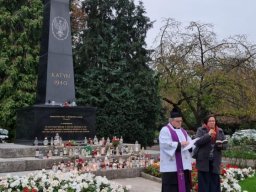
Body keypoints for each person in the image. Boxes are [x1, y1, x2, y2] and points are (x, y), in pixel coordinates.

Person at [159, 107, 192, 192]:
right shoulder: (165, 130)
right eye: (178, 121)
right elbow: (165, 144)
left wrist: (192, 145)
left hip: (184, 167)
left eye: (181, 121)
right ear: (171, 121)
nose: (180, 123)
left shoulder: (183, 131)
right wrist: (180, 144)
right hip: (171, 168)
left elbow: (190, 142)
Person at [194, 115, 227, 192]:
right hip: (204, 161)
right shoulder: (201, 130)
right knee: (204, 184)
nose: (212, 122)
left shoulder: (220, 131)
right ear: (206, 122)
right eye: (210, 121)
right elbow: (198, 142)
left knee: (214, 183)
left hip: (215, 161)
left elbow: (225, 144)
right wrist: (208, 135)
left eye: (213, 121)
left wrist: (222, 145)